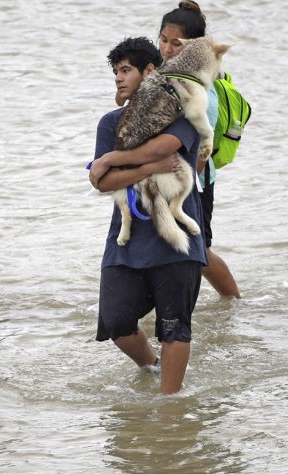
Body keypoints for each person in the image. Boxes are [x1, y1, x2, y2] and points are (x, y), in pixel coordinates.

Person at [88, 37, 207, 394]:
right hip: (125, 241)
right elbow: (102, 182)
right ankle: (152, 367)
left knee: (175, 326)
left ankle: (171, 407)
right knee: (116, 321)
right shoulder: (110, 123)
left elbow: (166, 147)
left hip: (176, 239)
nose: (119, 79)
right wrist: (145, 168)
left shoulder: (184, 113)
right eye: (115, 73)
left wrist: (109, 159)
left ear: (150, 72)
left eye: (126, 70)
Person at [158, 0, 241, 299]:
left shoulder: (204, 88)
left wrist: (182, 188)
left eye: (176, 44)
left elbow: (203, 151)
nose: (167, 49)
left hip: (195, 183)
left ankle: (232, 301)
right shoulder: (163, 74)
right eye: (163, 40)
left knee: (199, 251)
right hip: (165, 174)